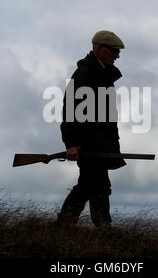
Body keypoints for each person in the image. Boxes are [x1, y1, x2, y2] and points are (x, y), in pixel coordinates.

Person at [57, 30, 127, 227]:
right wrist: (72, 144)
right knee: (98, 185)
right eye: (113, 51)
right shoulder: (86, 74)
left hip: (99, 143)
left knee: (90, 185)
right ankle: (102, 226)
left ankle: (65, 224)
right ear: (98, 49)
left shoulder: (101, 74)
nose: (117, 56)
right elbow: (70, 111)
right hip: (89, 143)